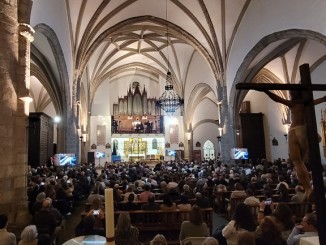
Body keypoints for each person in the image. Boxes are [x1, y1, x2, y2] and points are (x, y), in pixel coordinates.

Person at [257, 89, 326, 199]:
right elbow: (321, 100)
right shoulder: (307, 103)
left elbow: (277, 98)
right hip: (305, 131)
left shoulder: (293, 103)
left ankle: (308, 188)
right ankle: (309, 188)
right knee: (302, 162)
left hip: (294, 130)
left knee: (297, 162)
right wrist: (323, 98)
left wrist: (266, 90)